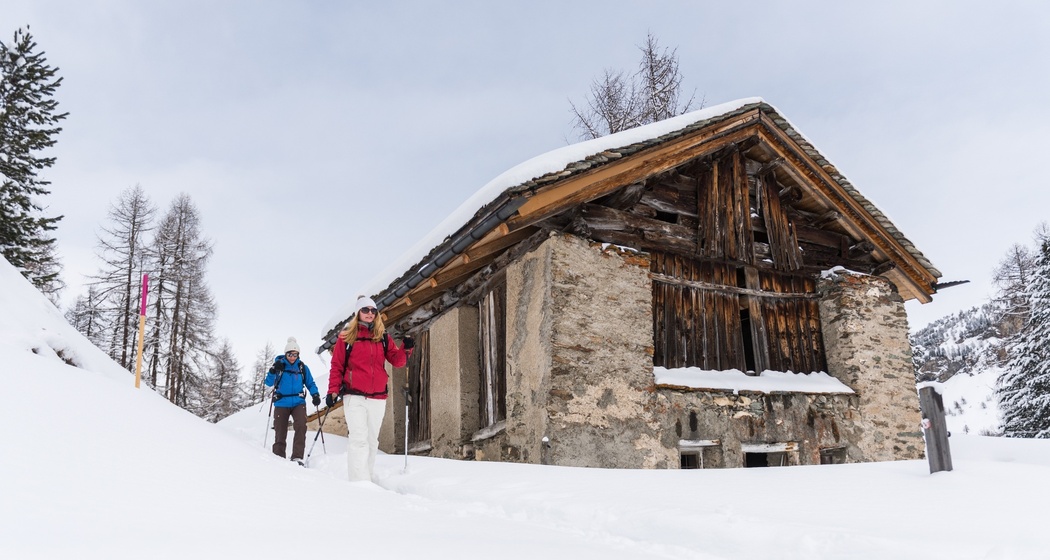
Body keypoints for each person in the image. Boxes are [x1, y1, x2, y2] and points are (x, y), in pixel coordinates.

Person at [326, 296, 413, 481]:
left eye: (373, 310)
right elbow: (337, 366)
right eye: (365, 310)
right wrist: (332, 391)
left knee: (372, 441)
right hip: (354, 396)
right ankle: (359, 483)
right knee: (359, 440)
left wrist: (406, 348)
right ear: (358, 313)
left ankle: (368, 479)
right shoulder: (347, 337)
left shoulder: (382, 337)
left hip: (377, 397)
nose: (370, 313)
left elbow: (397, 361)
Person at [265, 337, 321, 466]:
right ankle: (278, 456)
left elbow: (310, 383)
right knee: (280, 430)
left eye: (295, 354)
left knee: (301, 426)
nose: (292, 357)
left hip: (298, 402)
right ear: (285, 354)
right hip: (281, 402)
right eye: (290, 354)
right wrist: (273, 371)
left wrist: (315, 394)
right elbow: (268, 383)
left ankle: (297, 457)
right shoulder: (279, 365)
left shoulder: (302, 367)